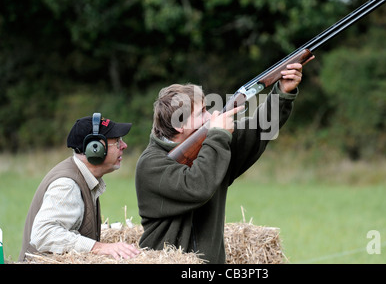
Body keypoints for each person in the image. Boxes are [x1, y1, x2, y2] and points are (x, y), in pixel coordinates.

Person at [135, 62, 308, 263]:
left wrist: (282, 93)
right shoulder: (150, 165)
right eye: (202, 113)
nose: (211, 116)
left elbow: (260, 129)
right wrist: (218, 135)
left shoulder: (210, 147)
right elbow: (197, 186)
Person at [19, 113, 140, 261]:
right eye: (117, 141)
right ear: (94, 148)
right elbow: (43, 233)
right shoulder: (67, 185)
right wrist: (99, 247)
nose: (124, 146)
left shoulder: (82, 176)